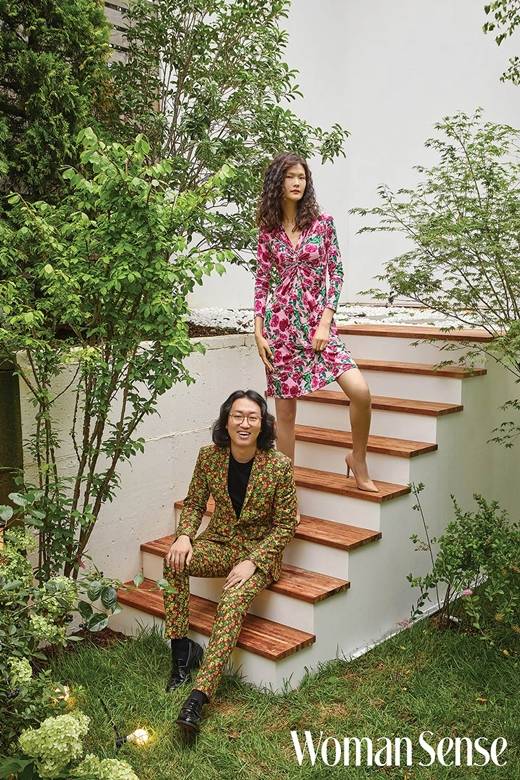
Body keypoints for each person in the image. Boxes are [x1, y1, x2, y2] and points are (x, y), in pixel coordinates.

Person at [163, 389, 297, 743]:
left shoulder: (279, 466)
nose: (244, 423)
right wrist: (184, 536)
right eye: (238, 415)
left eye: (252, 417)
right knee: (174, 561)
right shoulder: (209, 457)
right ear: (226, 421)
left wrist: (253, 561)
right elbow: (195, 503)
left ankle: (198, 697)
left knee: (234, 599)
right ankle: (181, 652)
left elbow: (286, 525)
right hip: (220, 544)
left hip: (258, 553)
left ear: (262, 424)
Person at [254, 151, 378, 495]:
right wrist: (258, 331)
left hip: (317, 326)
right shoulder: (268, 232)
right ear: (277, 183)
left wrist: (325, 322)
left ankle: (358, 458)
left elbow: (335, 273)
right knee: (286, 417)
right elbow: (262, 282)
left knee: (360, 392)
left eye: (302, 177)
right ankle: (286, 495)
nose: (297, 183)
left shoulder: (322, 224)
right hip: (280, 330)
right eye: (290, 176)